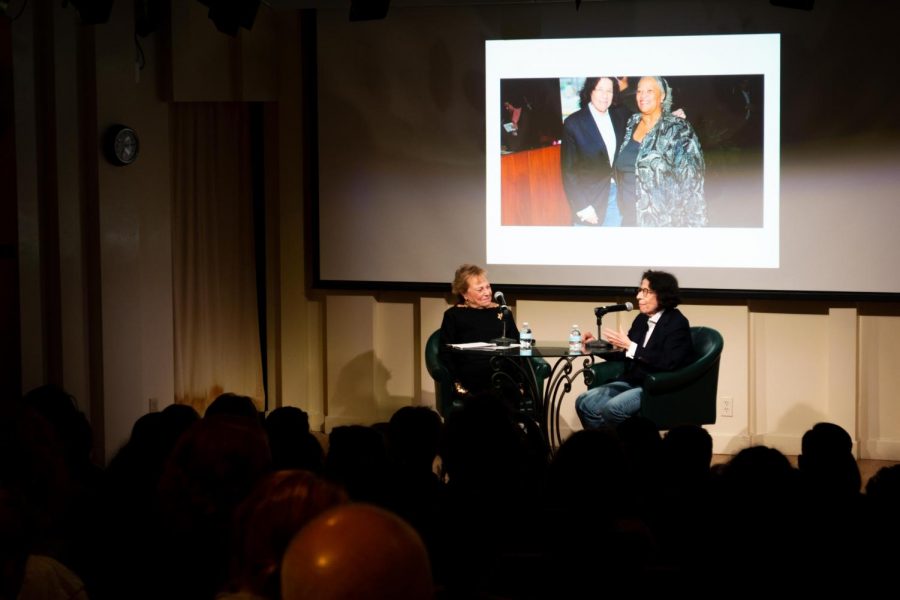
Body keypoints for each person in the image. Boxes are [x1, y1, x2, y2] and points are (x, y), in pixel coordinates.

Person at [575, 270, 693, 429]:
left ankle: (629, 449)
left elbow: (668, 362)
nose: (638, 296)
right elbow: (625, 353)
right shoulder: (641, 319)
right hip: (632, 381)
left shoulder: (677, 323)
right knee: (584, 403)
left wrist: (631, 346)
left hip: (654, 386)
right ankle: (607, 448)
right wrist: (594, 346)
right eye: (640, 290)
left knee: (612, 409)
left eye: (645, 292)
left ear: (662, 295)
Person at [614, 76, 707, 227]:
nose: (642, 96)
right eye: (639, 91)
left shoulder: (678, 129)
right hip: (627, 220)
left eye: (649, 91)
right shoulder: (631, 123)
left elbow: (693, 186)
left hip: (661, 222)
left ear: (661, 96)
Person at [439, 264, 518, 396]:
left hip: (502, 372)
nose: (487, 293)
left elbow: (517, 344)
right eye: (480, 289)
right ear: (465, 294)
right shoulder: (453, 315)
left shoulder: (502, 312)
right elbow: (445, 352)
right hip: (471, 375)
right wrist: (456, 379)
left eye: (488, 287)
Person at [561, 77, 628, 226]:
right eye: (600, 89)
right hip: (588, 200)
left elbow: (645, 117)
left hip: (616, 198)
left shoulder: (620, 116)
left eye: (609, 91)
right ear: (590, 91)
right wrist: (581, 205)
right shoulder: (573, 123)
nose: (605, 95)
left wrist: (672, 114)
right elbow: (569, 172)